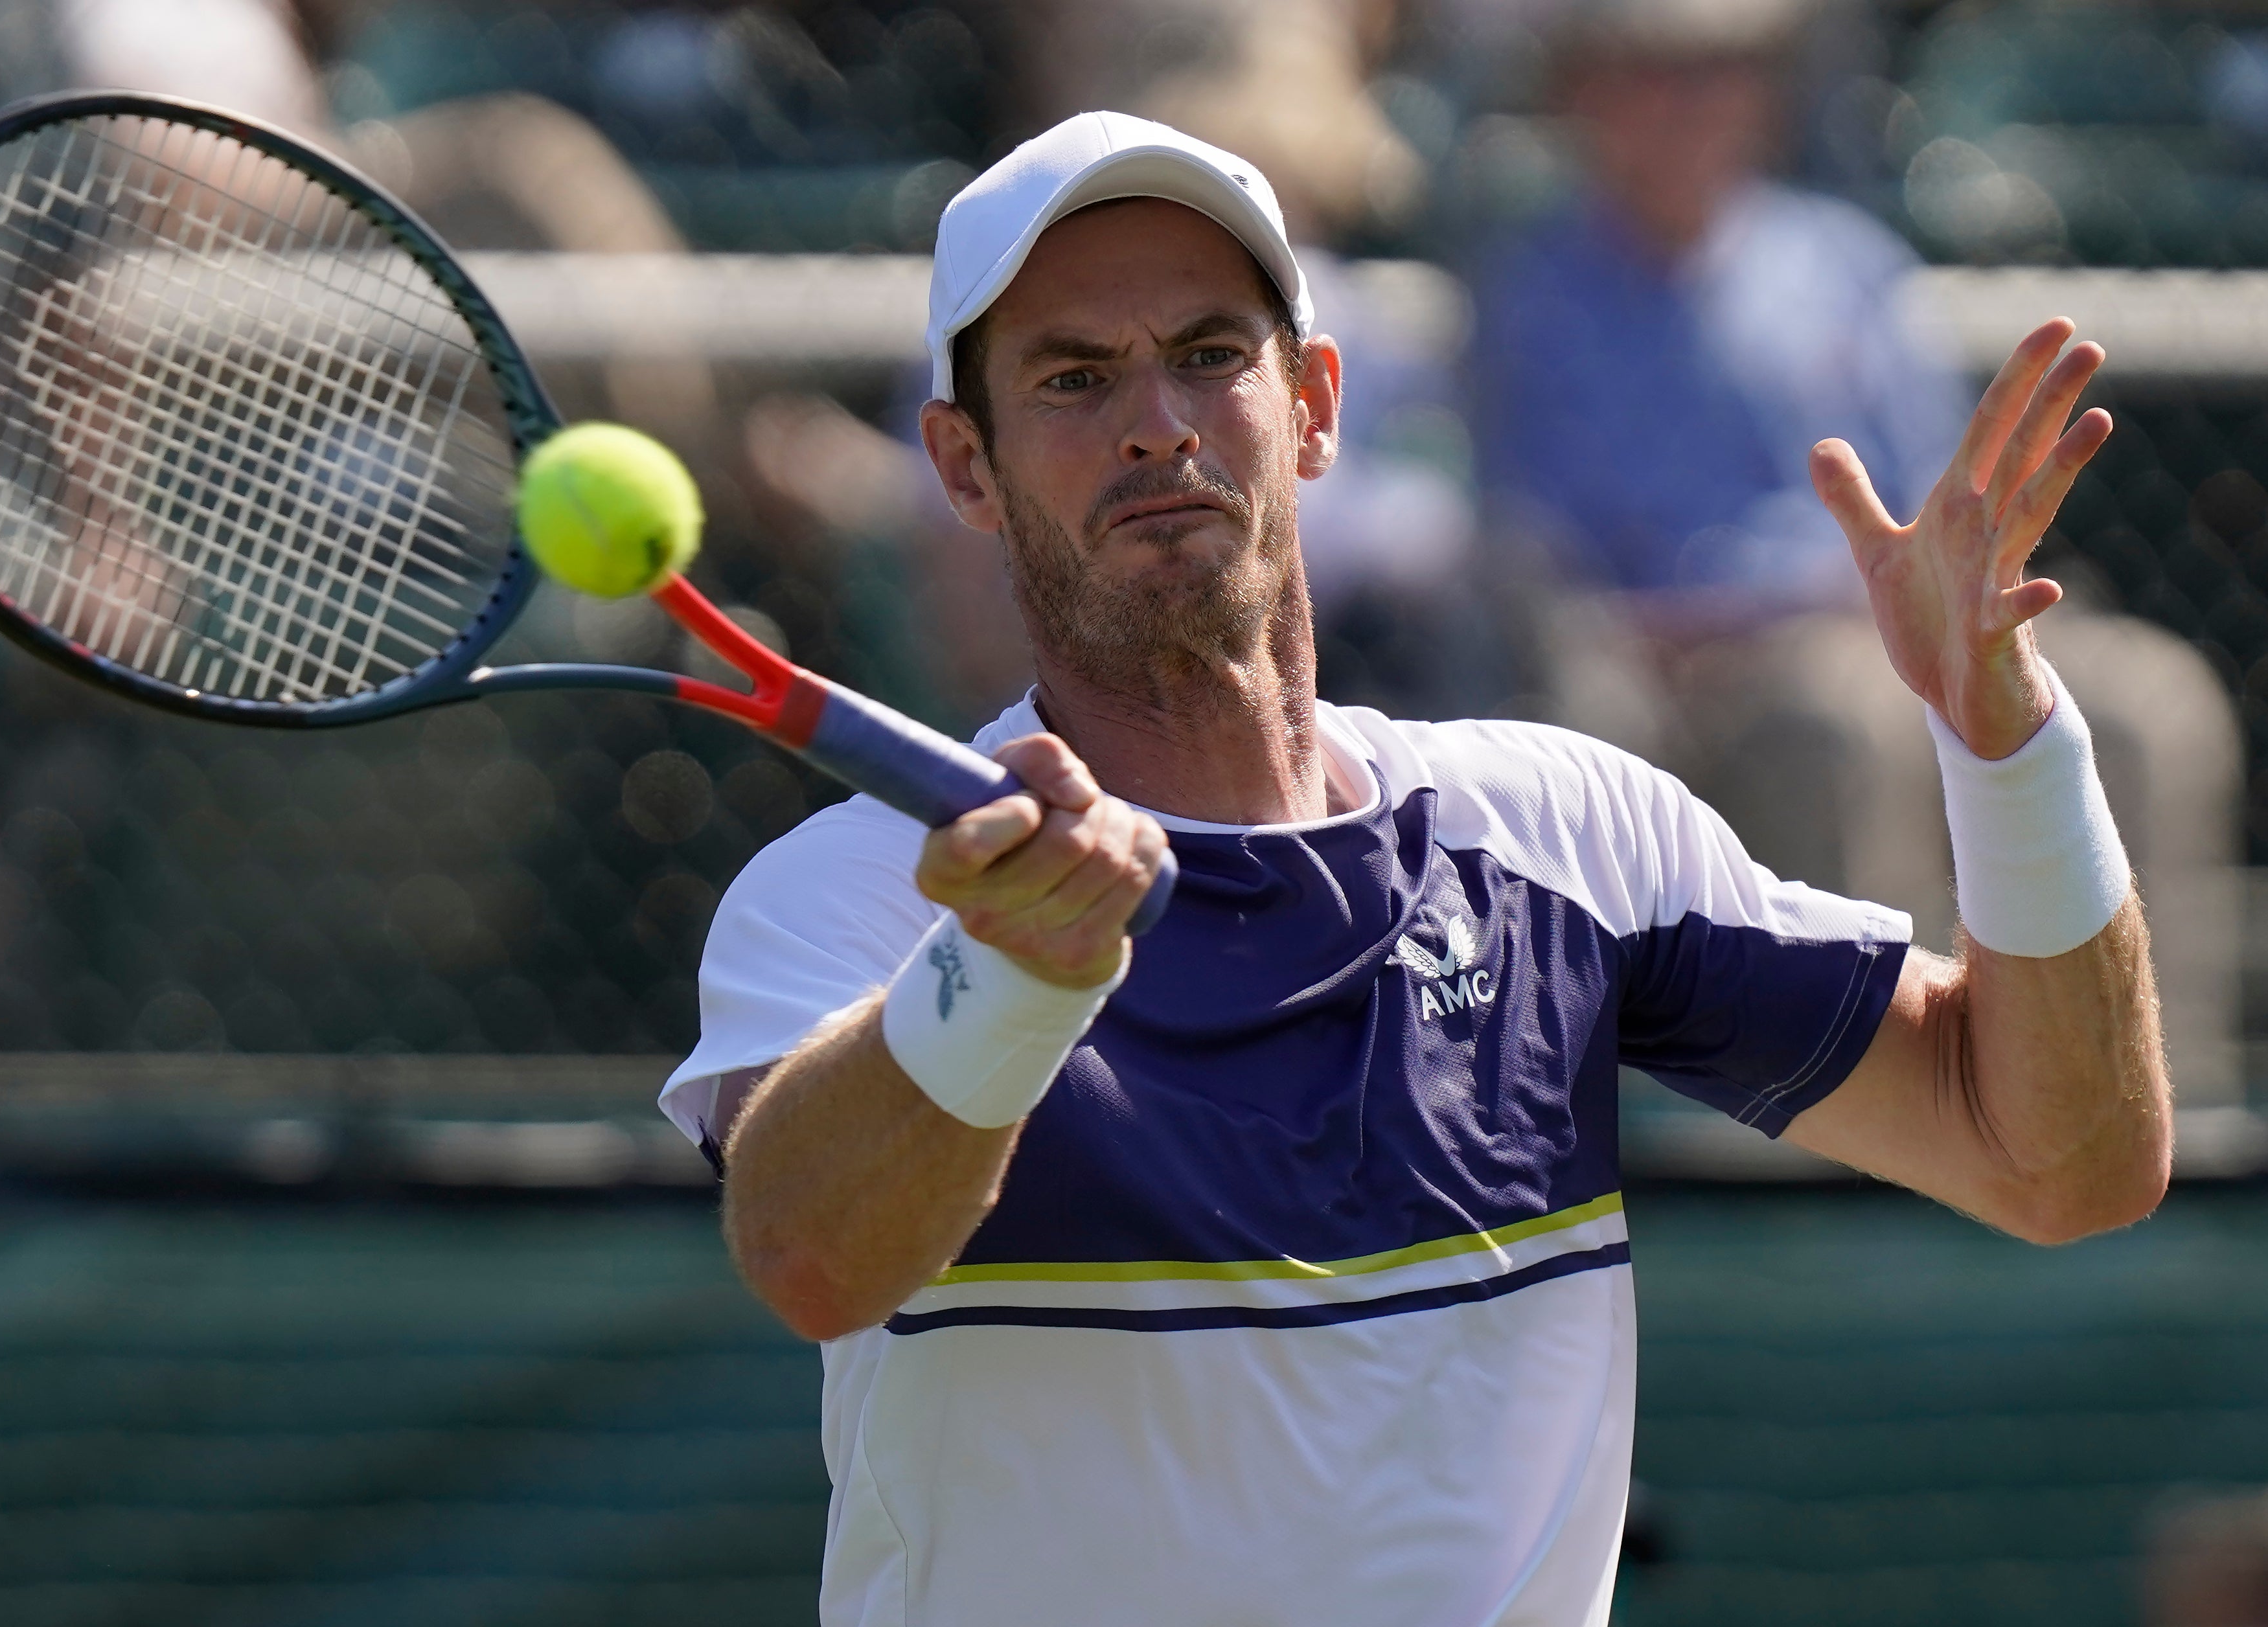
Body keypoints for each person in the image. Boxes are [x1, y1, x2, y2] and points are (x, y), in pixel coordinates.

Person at [659, 110, 2168, 1625]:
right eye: (1072, 376)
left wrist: (2007, 742)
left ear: (1315, 406)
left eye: (1208, 352)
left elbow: (2061, 1159)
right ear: (964, 467)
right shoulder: (864, 892)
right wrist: (1002, 976)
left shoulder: (1567, 830)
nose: (1155, 422)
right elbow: (809, 1254)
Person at [1470, 0, 2243, 1102]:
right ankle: (1908, 1138)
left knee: (2153, 703)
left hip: (1898, 617)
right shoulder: (1529, 295)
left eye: (1724, 71)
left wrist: (1931, 603)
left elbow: (1946, 499)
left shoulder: (1846, 261)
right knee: (1837, 722)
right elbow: (1538, 555)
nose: (1693, 104)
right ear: (1582, 94)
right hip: (1702, 656)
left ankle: (2153, 1117)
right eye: (1654, 72)